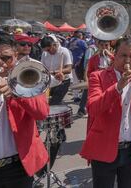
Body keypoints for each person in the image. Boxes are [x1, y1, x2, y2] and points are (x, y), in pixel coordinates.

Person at [80, 38, 131, 188]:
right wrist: (118, 87)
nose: (128, 60)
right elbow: (93, 108)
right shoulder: (97, 76)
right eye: (123, 56)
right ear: (114, 56)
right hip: (104, 147)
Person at [0, 33, 49, 188]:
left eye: (6, 58)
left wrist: (14, 93)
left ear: (15, 57)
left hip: (18, 166)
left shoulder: (27, 77)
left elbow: (41, 113)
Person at [39, 36, 73, 172]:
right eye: (46, 50)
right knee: (51, 105)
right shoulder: (45, 53)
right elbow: (42, 68)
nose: (49, 52)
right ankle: (61, 131)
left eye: (50, 49)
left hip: (63, 81)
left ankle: (56, 134)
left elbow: (69, 69)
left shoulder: (64, 51)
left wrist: (56, 72)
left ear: (54, 45)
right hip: (50, 81)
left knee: (54, 105)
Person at [68, 30, 88, 101]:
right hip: (80, 64)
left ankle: (75, 95)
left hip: (72, 63)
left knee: (75, 80)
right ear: (80, 35)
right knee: (83, 80)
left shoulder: (70, 42)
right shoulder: (82, 42)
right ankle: (81, 96)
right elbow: (87, 51)